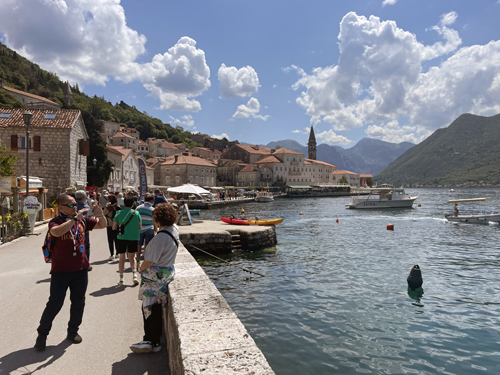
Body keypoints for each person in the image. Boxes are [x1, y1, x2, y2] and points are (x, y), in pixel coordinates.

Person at [34, 194, 107, 351]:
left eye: (75, 204)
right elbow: (56, 233)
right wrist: (74, 219)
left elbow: (102, 225)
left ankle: (73, 331)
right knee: (55, 303)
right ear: (61, 207)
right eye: (70, 205)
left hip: (80, 269)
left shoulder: (82, 221)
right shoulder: (56, 221)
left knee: (78, 302)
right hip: (61, 271)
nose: (75, 207)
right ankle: (42, 335)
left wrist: (100, 214)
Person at [130, 203, 179, 354]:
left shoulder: (161, 237)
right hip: (166, 273)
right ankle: (154, 341)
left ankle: (150, 340)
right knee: (156, 308)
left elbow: (150, 260)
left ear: (158, 218)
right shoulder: (174, 230)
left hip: (154, 278)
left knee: (149, 308)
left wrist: (141, 268)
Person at [113, 197, 142, 285]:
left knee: (122, 258)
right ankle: (135, 275)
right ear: (133, 204)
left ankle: (121, 279)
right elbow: (140, 227)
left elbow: (114, 227)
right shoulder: (136, 213)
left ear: (124, 203)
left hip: (121, 237)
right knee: (132, 257)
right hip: (133, 237)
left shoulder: (119, 213)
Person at [75, 190, 92, 271]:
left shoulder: (72, 206)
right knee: (86, 246)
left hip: (73, 228)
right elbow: (89, 219)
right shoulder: (86, 207)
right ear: (84, 197)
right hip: (84, 229)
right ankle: (86, 263)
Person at [136, 193, 155, 263]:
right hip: (149, 228)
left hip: (139, 229)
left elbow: (136, 218)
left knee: (138, 245)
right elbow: (155, 220)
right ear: (151, 201)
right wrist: (156, 229)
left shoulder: (138, 208)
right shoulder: (153, 209)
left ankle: (138, 260)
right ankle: (146, 261)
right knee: (148, 246)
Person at [103, 195, 122, 260]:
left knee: (110, 241)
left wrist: (106, 206)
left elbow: (104, 213)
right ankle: (117, 253)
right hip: (117, 225)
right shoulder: (118, 206)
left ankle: (112, 254)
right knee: (117, 240)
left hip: (110, 225)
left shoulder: (109, 207)